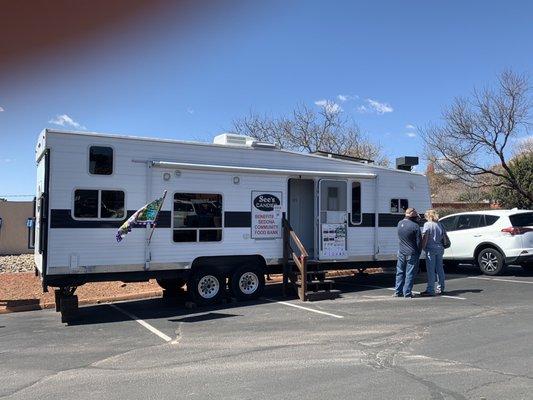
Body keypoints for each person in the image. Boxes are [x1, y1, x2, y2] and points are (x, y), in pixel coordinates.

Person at [394, 208, 422, 298]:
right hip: (412, 252)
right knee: (409, 273)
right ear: (413, 216)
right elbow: (419, 242)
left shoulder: (399, 223)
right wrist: (419, 251)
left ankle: (398, 291)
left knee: (400, 272)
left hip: (401, 251)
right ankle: (407, 292)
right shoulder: (415, 226)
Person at [420, 209, 446, 296]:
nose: (425, 217)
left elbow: (425, 238)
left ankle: (430, 289)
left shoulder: (427, 224)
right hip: (440, 248)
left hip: (431, 249)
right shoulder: (440, 224)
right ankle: (441, 288)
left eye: (426, 216)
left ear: (429, 216)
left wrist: (422, 248)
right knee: (440, 269)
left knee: (431, 271)